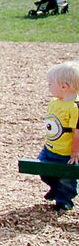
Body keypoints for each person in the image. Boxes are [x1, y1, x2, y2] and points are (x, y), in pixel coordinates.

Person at [36, 61, 79, 212]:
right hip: (50, 148)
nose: (48, 86)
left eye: (50, 84)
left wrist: (75, 152)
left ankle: (64, 200)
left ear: (63, 86)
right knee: (42, 170)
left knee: (67, 177)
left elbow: (77, 132)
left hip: (66, 153)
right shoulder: (55, 102)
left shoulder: (74, 108)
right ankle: (55, 187)